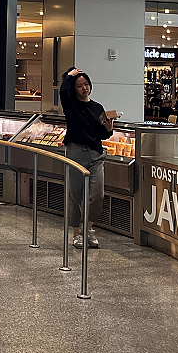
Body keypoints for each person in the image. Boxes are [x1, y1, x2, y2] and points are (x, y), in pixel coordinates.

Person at [60, 67, 114, 249]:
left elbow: (102, 134)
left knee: (98, 194)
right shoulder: (71, 105)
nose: (84, 88)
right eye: (79, 86)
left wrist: (108, 129)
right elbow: (63, 91)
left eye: (86, 84)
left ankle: (89, 229)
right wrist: (70, 77)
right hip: (75, 152)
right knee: (75, 194)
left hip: (96, 154)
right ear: (73, 88)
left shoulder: (97, 107)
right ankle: (76, 233)